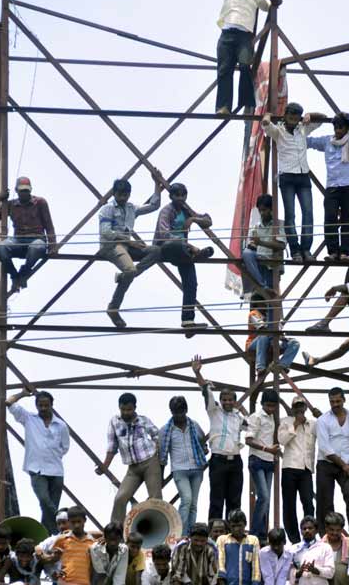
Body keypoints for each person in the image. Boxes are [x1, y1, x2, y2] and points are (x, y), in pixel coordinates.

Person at [262, 105, 329, 262]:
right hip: (287, 177)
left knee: (308, 213)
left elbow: (323, 117)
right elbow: (265, 125)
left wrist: (309, 114)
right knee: (290, 215)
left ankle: (306, 249)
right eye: (291, 116)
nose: (293, 119)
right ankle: (295, 250)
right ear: (285, 116)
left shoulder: (303, 129)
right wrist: (267, 114)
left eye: (296, 116)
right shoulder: (279, 131)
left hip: (303, 175)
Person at [98, 177, 163, 328]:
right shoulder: (107, 209)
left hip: (127, 246)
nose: (123, 197)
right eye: (120, 194)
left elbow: (154, 206)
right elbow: (106, 232)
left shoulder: (131, 208)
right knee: (130, 269)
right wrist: (130, 242)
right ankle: (113, 307)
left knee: (155, 251)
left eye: (126, 194)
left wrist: (156, 184)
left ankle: (124, 276)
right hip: (112, 246)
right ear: (114, 193)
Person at [5, 389, 70, 534]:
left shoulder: (61, 425)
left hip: (56, 470)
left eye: (46, 405)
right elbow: (9, 402)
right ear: (36, 406)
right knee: (45, 501)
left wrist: (52, 453)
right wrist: (22, 393)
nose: (43, 408)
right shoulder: (29, 418)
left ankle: (46, 535)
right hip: (37, 469)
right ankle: (65, 521)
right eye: (40, 405)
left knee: (48, 507)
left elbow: (65, 447)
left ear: (51, 405)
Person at [154, 182, 215, 332]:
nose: (180, 198)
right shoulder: (166, 211)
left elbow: (208, 221)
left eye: (183, 195)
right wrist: (189, 246)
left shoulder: (185, 210)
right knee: (178, 245)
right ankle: (196, 254)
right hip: (166, 248)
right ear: (171, 196)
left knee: (191, 284)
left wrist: (194, 219)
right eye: (177, 195)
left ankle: (188, 321)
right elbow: (164, 235)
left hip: (183, 252)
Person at [193, 355, 246, 521]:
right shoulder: (214, 411)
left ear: (235, 401)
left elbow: (251, 427)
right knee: (217, 498)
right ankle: (214, 532)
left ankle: (233, 530)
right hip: (218, 461)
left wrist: (242, 409)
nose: (227, 402)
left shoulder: (238, 417)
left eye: (230, 400)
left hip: (235, 461)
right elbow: (206, 392)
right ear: (221, 400)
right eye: (224, 400)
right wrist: (197, 373)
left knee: (234, 500)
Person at [213, 0, 281, 114]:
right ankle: (223, 107)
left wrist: (275, 4)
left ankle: (247, 104)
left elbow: (266, 7)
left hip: (244, 35)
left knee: (245, 67)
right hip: (227, 33)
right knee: (224, 70)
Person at [97, 393, 162, 524]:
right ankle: (115, 531)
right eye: (123, 409)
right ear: (119, 408)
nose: (126, 412)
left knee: (155, 499)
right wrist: (105, 466)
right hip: (133, 468)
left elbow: (157, 435)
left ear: (135, 408)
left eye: (129, 409)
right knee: (120, 498)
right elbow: (112, 446)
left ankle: (158, 530)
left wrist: (157, 454)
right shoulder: (115, 422)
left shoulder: (143, 420)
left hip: (149, 462)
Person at [307, 112, 349, 261]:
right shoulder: (328, 141)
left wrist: (346, 114)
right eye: (336, 128)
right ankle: (332, 251)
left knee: (348, 218)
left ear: (347, 128)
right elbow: (309, 142)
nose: (338, 131)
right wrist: (302, 126)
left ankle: (345, 252)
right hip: (333, 185)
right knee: (330, 217)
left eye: (341, 127)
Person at [0, 176, 56, 294]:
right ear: (16, 191)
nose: (25, 193)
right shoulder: (10, 205)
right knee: (1, 248)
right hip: (18, 241)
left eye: (27, 190)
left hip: (37, 239)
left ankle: (24, 272)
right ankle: (14, 276)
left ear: (30, 190)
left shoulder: (40, 203)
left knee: (37, 247)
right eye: (22, 191)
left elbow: (49, 225)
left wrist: (53, 245)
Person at [315, 388, 349, 539]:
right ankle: (325, 535)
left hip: (346, 464)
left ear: (344, 400)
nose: (335, 404)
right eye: (332, 402)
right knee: (325, 501)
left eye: (337, 401)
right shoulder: (323, 420)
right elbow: (325, 448)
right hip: (327, 463)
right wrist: (343, 465)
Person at [159, 395, 208, 537]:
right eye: (175, 412)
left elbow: (202, 442)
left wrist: (204, 449)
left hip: (196, 467)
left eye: (180, 412)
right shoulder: (166, 430)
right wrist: (161, 477)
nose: (178, 415)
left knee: (193, 503)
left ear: (186, 410)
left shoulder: (194, 426)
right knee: (186, 499)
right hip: (179, 469)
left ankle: (191, 533)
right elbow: (162, 456)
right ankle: (179, 533)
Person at [279, 399, 319, 545]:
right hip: (289, 467)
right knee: (289, 505)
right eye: (296, 407)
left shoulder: (313, 424)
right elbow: (282, 440)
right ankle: (294, 539)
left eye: (302, 406)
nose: (299, 409)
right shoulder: (285, 422)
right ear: (293, 408)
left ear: (305, 408)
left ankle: (309, 534)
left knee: (308, 502)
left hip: (306, 468)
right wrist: (295, 424)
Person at [245, 390, 281, 542]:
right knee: (264, 497)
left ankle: (262, 533)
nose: (270, 408)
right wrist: (268, 449)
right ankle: (254, 532)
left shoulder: (273, 417)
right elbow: (248, 440)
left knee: (266, 500)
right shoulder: (256, 417)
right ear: (262, 404)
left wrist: (272, 453)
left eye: (273, 406)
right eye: (268, 405)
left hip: (268, 460)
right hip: (257, 458)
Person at [241, 194, 286, 299]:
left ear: (271, 209)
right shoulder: (256, 226)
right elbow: (251, 243)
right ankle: (262, 286)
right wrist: (252, 245)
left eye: (264, 210)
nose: (262, 213)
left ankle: (263, 288)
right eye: (260, 210)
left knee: (271, 302)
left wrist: (260, 243)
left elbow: (281, 245)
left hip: (272, 264)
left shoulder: (279, 224)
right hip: (260, 262)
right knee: (246, 253)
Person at [36, 506, 95, 585]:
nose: (61, 526)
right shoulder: (56, 540)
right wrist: (52, 571)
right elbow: (39, 551)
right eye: (59, 524)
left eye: (64, 522)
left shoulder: (90, 540)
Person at [245, 294, 301, 376]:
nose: (265, 304)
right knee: (263, 336)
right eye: (263, 302)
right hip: (254, 345)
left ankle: (282, 365)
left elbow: (278, 330)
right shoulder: (254, 313)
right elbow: (262, 328)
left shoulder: (270, 316)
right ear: (258, 303)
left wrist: (281, 338)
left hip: (271, 343)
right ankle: (260, 367)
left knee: (294, 342)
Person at [217, 510, 262, 585]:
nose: (236, 529)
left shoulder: (253, 540)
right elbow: (220, 564)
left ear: (245, 524)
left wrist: (255, 582)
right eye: (233, 526)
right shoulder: (222, 540)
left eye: (239, 525)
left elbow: (256, 568)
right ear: (229, 526)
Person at [322, 512, 349, 585]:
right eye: (332, 530)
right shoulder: (319, 547)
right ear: (326, 528)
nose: (335, 533)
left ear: (342, 529)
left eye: (338, 530)